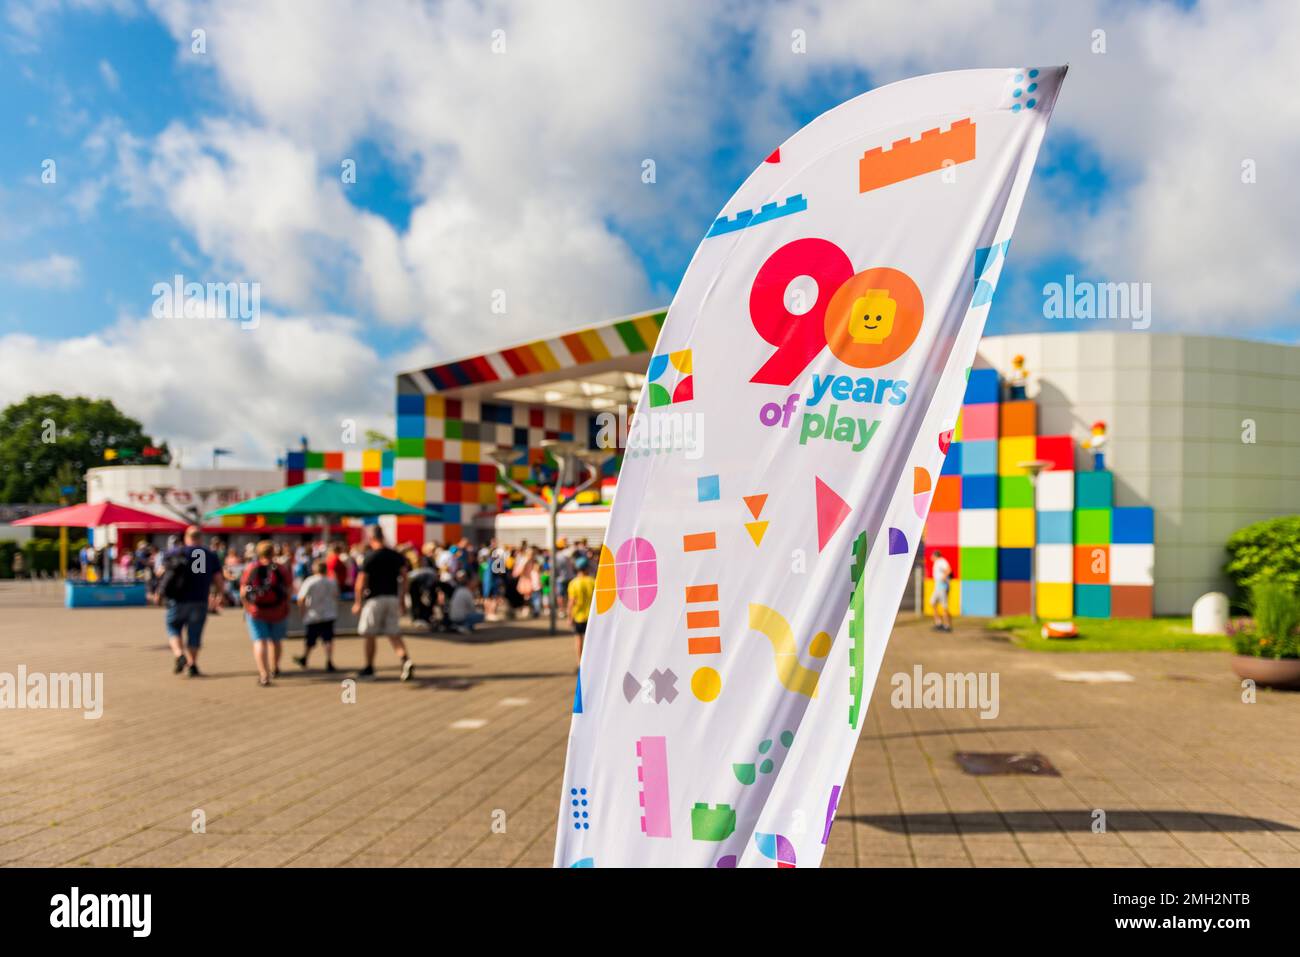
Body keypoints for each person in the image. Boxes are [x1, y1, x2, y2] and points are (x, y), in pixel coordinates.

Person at [352, 527, 415, 681]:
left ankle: (369, 667)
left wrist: (358, 602)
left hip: (374, 599)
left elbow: (360, 582)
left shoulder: (369, 557)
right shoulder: (395, 555)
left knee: (369, 634)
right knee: (393, 633)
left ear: (372, 538)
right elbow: (405, 577)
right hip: (392, 598)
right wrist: (402, 599)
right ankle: (405, 660)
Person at [158, 525, 221, 677]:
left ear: (186, 537)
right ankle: (192, 665)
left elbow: (161, 572)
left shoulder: (174, 552)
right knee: (195, 633)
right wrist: (219, 595)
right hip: (199, 600)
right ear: (200, 538)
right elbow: (218, 578)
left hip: (177, 599)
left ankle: (179, 654)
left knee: (173, 628)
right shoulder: (210, 555)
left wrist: (159, 592)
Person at [241, 540, 293, 686]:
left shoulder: (251, 567)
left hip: (256, 611)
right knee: (276, 641)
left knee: (260, 641)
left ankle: (264, 674)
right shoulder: (281, 568)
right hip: (278, 610)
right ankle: (275, 668)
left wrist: (247, 607)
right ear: (273, 552)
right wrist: (285, 605)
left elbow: (244, 590)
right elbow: (289, 589)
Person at [294, 558, 339, 672]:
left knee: (310, 639)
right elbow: (336, 595)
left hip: (313, 614)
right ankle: (329, 661)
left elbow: (301, 598)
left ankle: (305, 657)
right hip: (328, 613)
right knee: (328, 639)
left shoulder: (310, 581)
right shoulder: (331, 581)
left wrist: (302, 611)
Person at [567, 556, 595, 665]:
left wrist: (569, 616)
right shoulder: (593, 581)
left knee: (579, 640)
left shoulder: (574, 583)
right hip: (591, 617)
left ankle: (580, 663)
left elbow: (571, 602)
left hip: (578, 616)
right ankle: (591, 663)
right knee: (591, 641)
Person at [930, 550, 953, 633]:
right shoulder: (937, 563)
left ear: (935, 555)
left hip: (942, 586)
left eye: (932, 555)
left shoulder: (941, 561)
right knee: (932, 602)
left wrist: (944, 577)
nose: (931, 557)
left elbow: (949, 570)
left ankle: (947, 626)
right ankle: (938, 623)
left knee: (944, 606)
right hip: (938, 587)